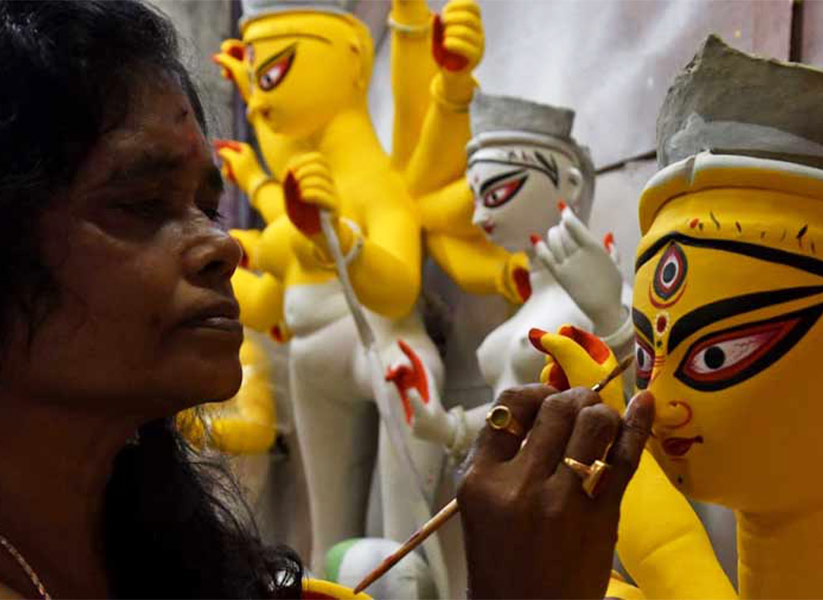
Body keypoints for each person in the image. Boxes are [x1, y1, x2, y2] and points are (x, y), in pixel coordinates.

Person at [0, 1, 652, 598]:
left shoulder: (166, 548)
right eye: (142, 205)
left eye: (207, 204)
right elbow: (266, 296)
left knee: (402, 542)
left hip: (385, 362)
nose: (220, 244)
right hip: (323, 371)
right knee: (342, 527)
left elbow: (396, 283)